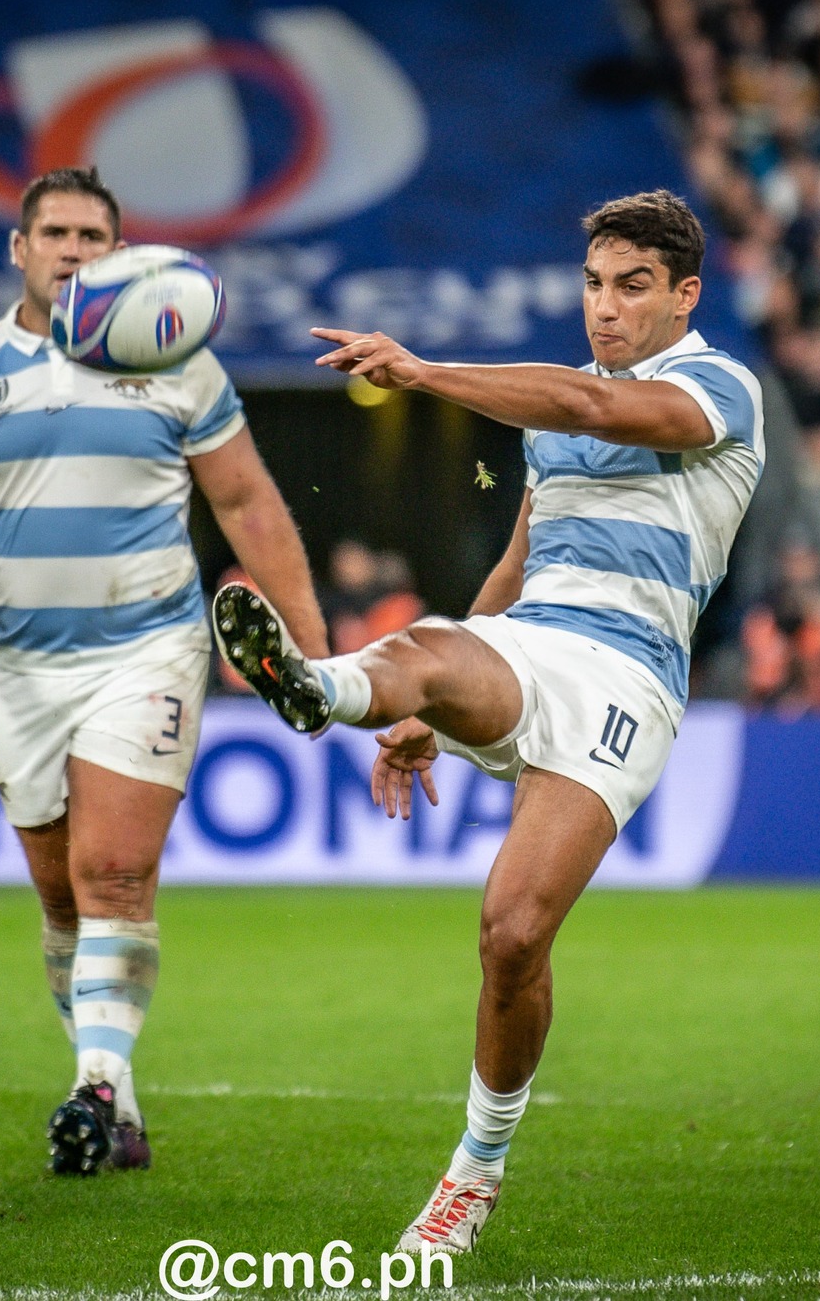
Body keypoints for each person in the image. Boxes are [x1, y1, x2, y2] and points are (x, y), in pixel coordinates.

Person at [214, 190, 762, 1254]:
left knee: (512, 932)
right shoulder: (553, 414)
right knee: (419, 645)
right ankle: (320, 687)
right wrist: (433, 704)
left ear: (683, 294)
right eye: (594, 284)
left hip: (626, 679)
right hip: (530, 643)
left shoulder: (716, 386)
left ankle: (476, 1168)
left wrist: (420, 371)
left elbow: (598, 410)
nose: (604, 308)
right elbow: (515, 568)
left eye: (631, 286)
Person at [0, 167, 325, 1176]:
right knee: (62, 899)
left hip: (147, 648)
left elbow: (247, 503)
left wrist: (313, 645)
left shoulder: (182, 368)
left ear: (121, 255)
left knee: (113, 871)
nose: (71, 248)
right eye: (54, 232)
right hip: (17, 666)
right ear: (17, 250)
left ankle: (93, 1087)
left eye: (91, 234)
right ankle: (116, 1091)